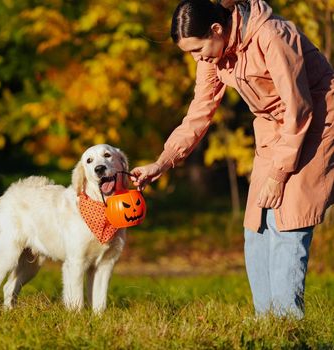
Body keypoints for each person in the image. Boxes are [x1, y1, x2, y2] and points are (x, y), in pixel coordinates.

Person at [131, 0, 334, 319]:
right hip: (272, 129)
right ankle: (265, 323)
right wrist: (163, 162)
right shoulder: (215, 52)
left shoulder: (271, 35)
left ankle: (286, 326)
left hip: (315, 123)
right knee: (256, 226)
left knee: (288, 221)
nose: (198, 59)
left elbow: (299, 109)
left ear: (216, 29)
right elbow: (199, 113)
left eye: (197, 50)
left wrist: (278, 175)